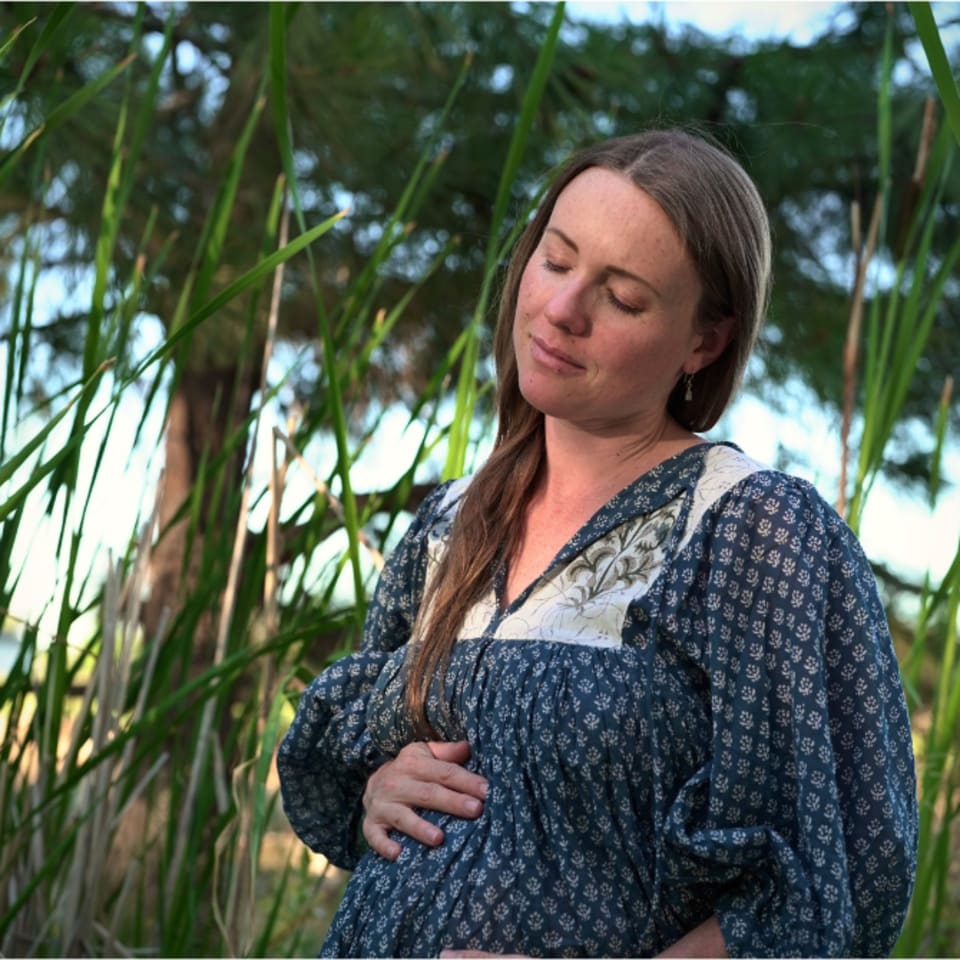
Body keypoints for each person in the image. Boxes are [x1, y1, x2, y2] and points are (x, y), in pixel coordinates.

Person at [277, 128, 918, 958]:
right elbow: (364, 764)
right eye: (556, 259)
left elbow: (838, 883)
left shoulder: (752, 532)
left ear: (705, 341)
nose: (562, 310)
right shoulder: (448, 525)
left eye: (622, 297)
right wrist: (377, 791)